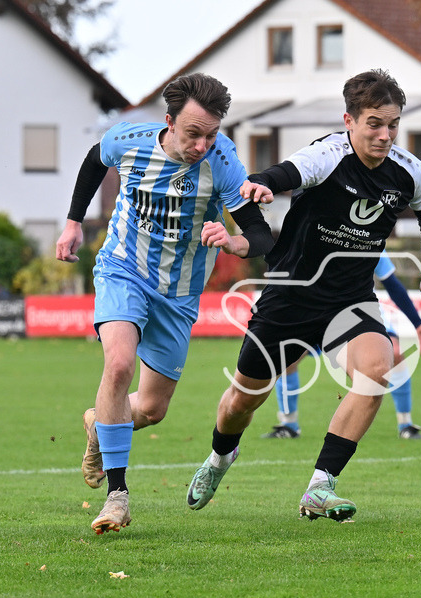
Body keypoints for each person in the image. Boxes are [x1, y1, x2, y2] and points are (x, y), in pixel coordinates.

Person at [186, 69, 421, 521]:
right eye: (374, 124)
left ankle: (320, 486)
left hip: (349, 300)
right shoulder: (328, 154)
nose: (385, 135)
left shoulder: (409, 172)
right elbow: (288, 171)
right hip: (290, 295)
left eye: (393, 124)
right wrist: (265, 182)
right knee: (242, 402)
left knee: (378, 369)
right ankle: (219, 458)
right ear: (349, 120)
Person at [56, 73, 275, 534]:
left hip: (177, 296)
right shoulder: (129, 140)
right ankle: (117, 496)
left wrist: (233, 242)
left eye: (211, 134)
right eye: (193, 133)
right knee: (118, 366)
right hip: (123, 269)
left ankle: (100, 425)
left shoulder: (224, 163)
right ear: (170, 122)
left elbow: (259, 234)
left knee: (153, 410)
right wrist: (74, 222)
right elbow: (95, 161)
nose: (202, 145)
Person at [264, 251, 421, 440]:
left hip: (361, 311)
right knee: (287, 358)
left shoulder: (372, 240)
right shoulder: (314, 232)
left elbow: (392, 285)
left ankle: (406, 425)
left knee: (395, 352)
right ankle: (289, 425)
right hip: (316, 310)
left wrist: (417, 323)